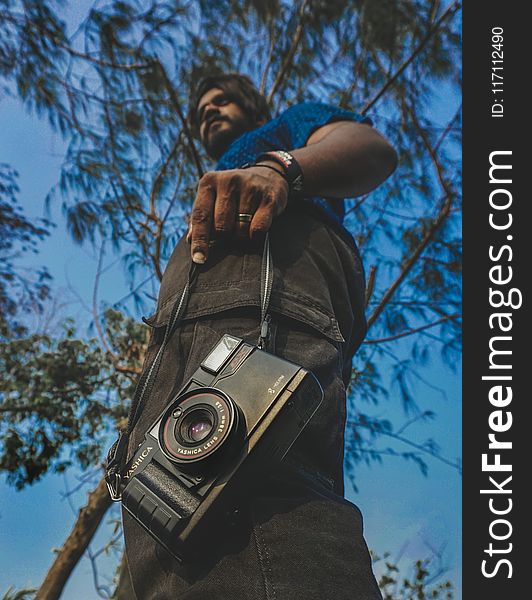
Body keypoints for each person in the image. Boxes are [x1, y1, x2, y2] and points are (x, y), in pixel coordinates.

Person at [120, 73, 397, 599]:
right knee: (160, 498)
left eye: (221, 100)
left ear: (253, 106)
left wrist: (279, 167)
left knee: (238, 475)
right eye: (202, 108)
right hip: (196, 303)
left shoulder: (288, 126)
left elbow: (371, 150)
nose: (209, 111)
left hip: (269, 254)